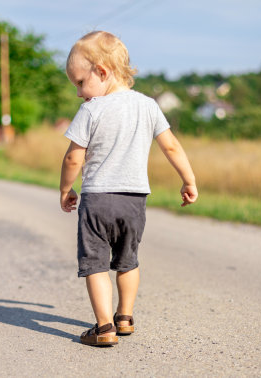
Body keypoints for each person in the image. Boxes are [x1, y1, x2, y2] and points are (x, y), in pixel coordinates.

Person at [59, 31, 198, 346]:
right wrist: (188, 180)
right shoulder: (148, 106)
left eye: (80, 83)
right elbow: (172, 147)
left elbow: (73, 158)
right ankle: (125, 317)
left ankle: (104, 327)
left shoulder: (92, 110)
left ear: (102, 72)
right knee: (127, 260)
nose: (79, 93)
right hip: (134, 201)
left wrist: (66, 189)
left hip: (97, 200)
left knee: (95, 264)